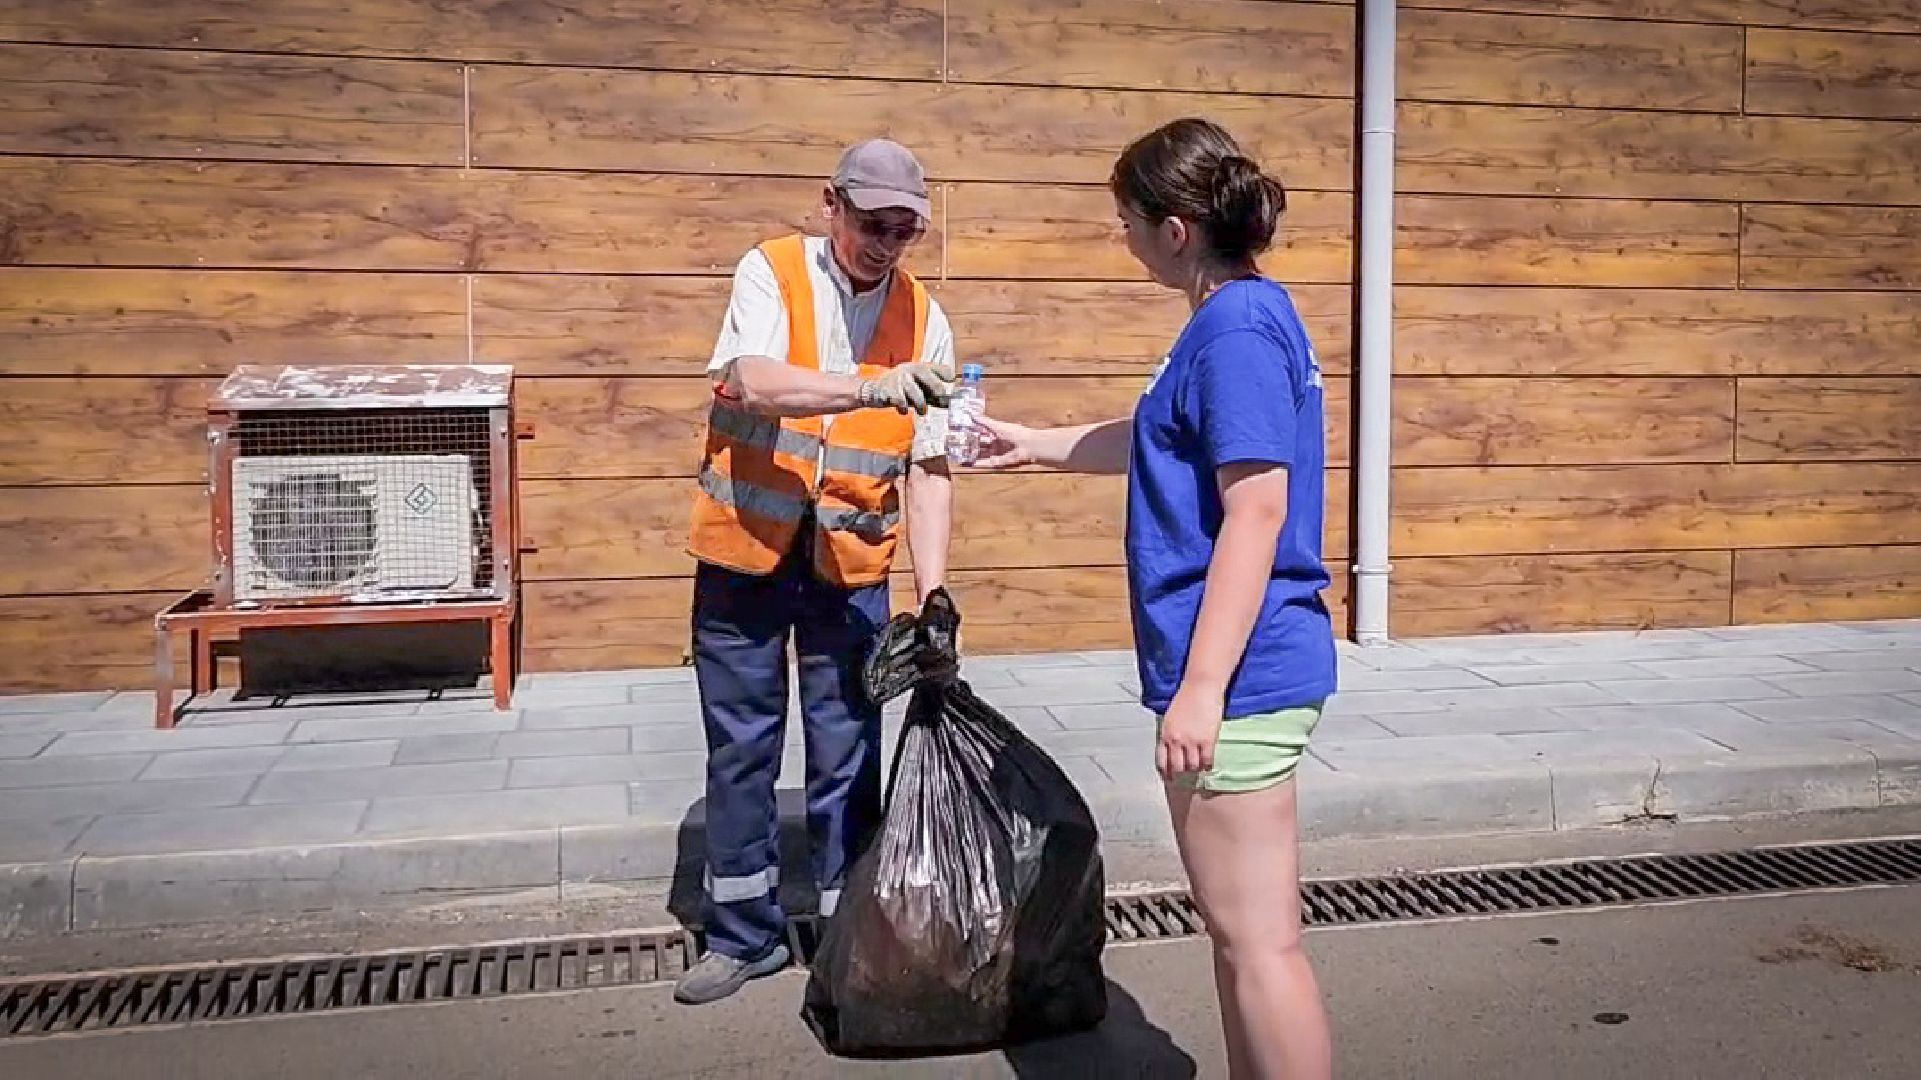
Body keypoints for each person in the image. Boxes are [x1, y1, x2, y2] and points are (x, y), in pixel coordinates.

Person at [971, 118, 1336, 1078]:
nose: (1121, 237)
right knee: (1237, 938)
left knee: (1260, 944)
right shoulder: (1235, 319)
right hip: (1235, 669)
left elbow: (1256, 510)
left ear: (1176, 228)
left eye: (1126, 219)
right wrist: (1033, 443)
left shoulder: (1235, 330)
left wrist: (1203, 687)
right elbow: (1159, 437)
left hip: (1244, 675)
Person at [676, 138, 957, 1005]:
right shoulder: (771, 272)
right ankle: (742, 934)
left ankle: (844, 932)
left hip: (850, 565)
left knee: (846, 748)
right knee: (742, 747)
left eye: (903, 230)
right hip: (746, 557)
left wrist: (932, 591)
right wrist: (871, 389)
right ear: (829, 204)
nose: (885, 243)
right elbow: (756, 382)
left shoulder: (924, 315)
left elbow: (929, 464)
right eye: (872, 223)